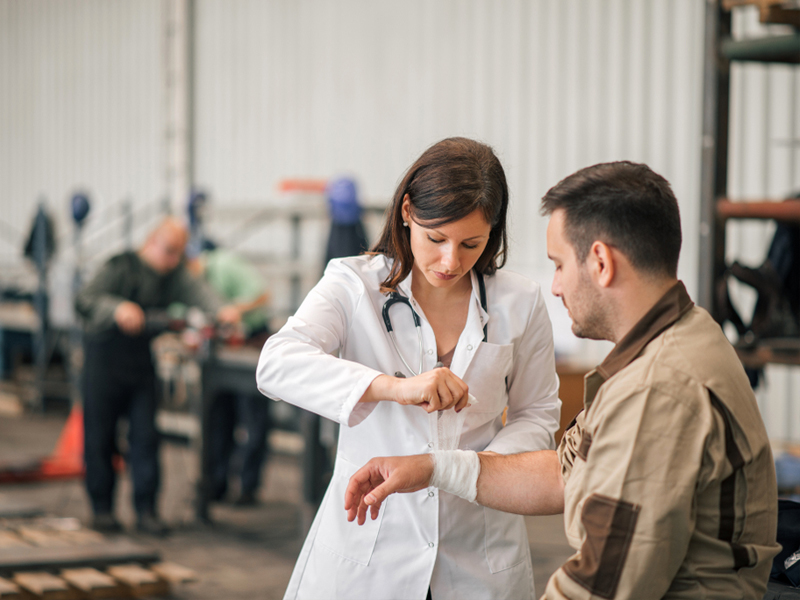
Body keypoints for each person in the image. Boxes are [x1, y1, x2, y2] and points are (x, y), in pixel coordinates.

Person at [345, 161, 781, 600]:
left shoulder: (658, 389)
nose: (554, 287)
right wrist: (434, 467)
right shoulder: (681, 335)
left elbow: (602, 585)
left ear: (601, 262)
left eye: (558, 265)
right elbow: (565, 475)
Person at [256, 137, 561, 600]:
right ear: (405, 211)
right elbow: (277, 363)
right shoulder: (353, 284)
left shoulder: (519, 301)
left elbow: (537, 415)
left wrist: (470, 470)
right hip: (371, 551)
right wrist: (390, 389)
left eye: (470, 244)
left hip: (480, 549)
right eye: (435, 238)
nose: (450, 261)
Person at [76, 217, 240, 535]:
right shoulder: (119, 266)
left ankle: (146, 511)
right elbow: (85, 299)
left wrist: (223, 309)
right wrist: (117, 309)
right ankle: (101, 510)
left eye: (179, 253)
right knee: (100, 438)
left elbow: (200, 292)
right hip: (103, 363)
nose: (173, 260)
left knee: (146, 438)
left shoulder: (173, 274)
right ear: (151, 242)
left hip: (139, 364)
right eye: (168, 251)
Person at [188, 241, 272, 505]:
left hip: (251, 342)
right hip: (221, 348)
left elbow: (262, 294)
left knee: (253, 420)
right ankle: (216, 484)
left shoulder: (225, 265)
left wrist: (235, 310)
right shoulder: (189, 282)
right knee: (218, 418)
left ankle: (248, 487)